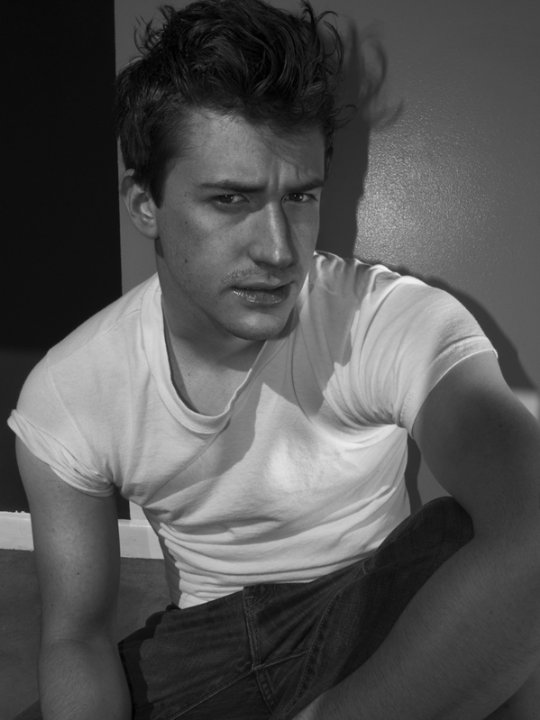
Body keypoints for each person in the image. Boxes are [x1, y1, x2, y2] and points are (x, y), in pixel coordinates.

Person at [9, 0, 540, 718]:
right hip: (210, 645)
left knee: (484, 548)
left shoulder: (387, 319)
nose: (280, 250)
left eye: (299, 197)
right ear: (144, 204)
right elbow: (76, 637)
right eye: (230, 199)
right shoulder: (69, 394)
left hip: (374, 610)